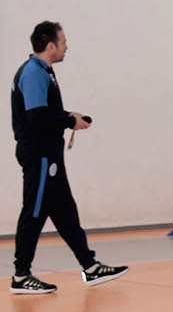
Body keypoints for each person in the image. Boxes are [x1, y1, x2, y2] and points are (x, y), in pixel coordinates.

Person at [10, 21, 126, 293]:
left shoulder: (43, 71)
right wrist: (68, 121)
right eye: (63, 42)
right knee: (34, 212)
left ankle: (90, 267)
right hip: (39, 155)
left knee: (64, 211)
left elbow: (44, 111)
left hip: (49, 155)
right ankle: (21, 275)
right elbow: (36, 117)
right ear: (50, 45)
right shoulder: (34, 73)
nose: (66, 47)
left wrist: (68, 116)